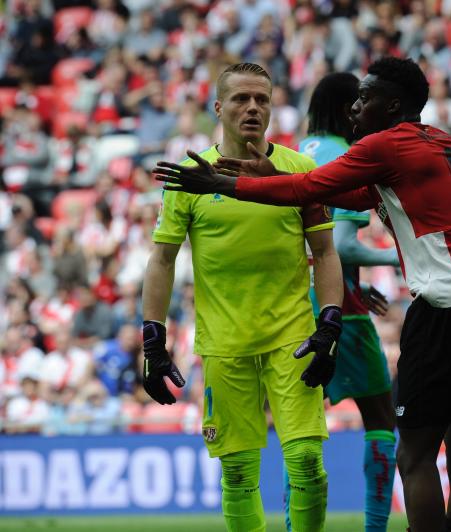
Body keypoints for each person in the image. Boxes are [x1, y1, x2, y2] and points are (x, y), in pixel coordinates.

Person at [153, 56, 451, 532]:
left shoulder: (387, 145)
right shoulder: (443, 143)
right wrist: (268, 175)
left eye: (364, 100)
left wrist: (222, 184)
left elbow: (309, 185)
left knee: (415, 455)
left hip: (447, 306)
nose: (354, 110)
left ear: (391, 106)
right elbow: (354, 196)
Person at [142, 62, 343, 532]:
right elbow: (162, 260)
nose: (252, 108)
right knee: (236, 474)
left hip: (292, 337)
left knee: (307, 461)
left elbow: (326, 252)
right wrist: (153, 338)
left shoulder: (299, 170)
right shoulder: (191, 178)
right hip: (223, 343)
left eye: (262, 99)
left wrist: (330, 323)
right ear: (218, 107)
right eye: (240, 99)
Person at [284, 71, 400, 532]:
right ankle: (375, 527)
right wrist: (401, 256)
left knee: (301, 427)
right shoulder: (349, 155)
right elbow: (344, 245)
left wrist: (353, 279)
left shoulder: (296, 153)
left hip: (292, 305)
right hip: (339, 312)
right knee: (380, 417)